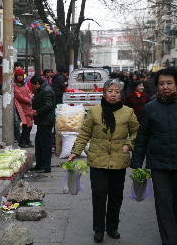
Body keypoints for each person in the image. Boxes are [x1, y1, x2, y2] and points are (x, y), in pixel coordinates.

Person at [68, 79, 139, 242]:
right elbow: (84, 134)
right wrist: (75, 152)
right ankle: (98, 229)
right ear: (104, 93)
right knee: (99, 196)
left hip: (119, 161)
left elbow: (137, 133)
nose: (113, 95)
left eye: (117, 92)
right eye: (110, 91)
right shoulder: (94, 111)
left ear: (120, 95)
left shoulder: (128, 112)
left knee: (115, 197)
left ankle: (112, 228)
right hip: (97, 160)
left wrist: (128, 145)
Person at [131, 67, 177, 245]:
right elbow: (143, 136)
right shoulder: (150, 108)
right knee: (164, 206)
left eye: (169, 83)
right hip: (159, 165)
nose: (165, 87)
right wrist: (136, 163)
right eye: (161, 84)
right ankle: (169, 240)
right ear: (157, 86)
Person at [30, 75, 56, 173]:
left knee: (45, 144)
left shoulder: (47, 90)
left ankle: (45, 166)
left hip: (46, 121)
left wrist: (37, 112)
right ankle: (39, 164)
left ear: (37, 84)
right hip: (42, 121)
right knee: (39, 143)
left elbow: (48, 105)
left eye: (33, 85)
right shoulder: (43, 89)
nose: (32, 88)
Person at [14, 69, 34, 148]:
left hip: (28, 106)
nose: (20, 77)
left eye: (21, 76)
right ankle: (22, 141)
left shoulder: (25, 84)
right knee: (26, 124)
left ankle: (27, 140)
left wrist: (31, 99)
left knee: (29, 124)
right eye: (18, 76)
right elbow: (19, 96)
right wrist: (29, 100)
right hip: (21, 107)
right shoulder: (15, 85)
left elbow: (29, 93)